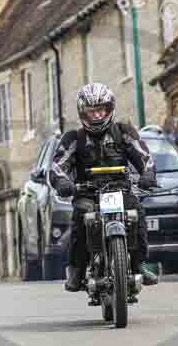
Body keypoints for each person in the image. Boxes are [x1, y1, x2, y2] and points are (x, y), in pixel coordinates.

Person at [49, 83, 159, 292]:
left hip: (121, 190)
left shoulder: (123, 132)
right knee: (82, 215)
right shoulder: (74, 138)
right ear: (84, 113)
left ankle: (140, 263)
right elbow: (57, 166)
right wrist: (63, 182)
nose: (98, 116)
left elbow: (145, 157)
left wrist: (147, 174)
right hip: (87, 194)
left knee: (136, 212)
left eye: (101, 110)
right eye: (92, 112)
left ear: (109, 109)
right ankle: (77, 268)